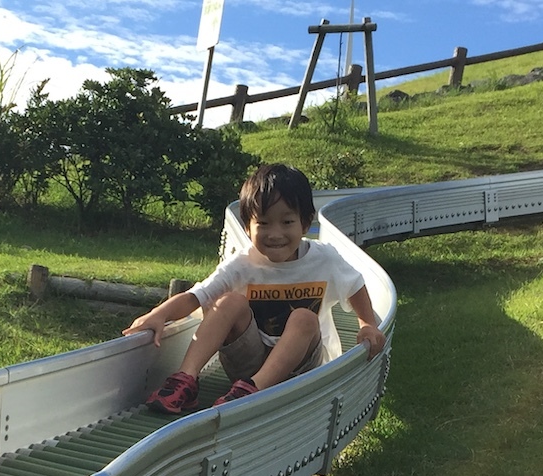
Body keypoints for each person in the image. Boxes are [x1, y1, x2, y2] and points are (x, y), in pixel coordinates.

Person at [123, 163, 386, 415]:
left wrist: (367, 324)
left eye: (287, 222)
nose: (275, 234)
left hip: (301, 365)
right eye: (263, 223)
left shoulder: (324, 259)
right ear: (248, 227)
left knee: (304, 317)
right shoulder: (243, 263)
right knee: (227, 302)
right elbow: (196, 296)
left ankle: (254, 390)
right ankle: (186, 379)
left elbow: (355, 284)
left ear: (305, 224)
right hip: (248, 364)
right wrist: (159, 314)